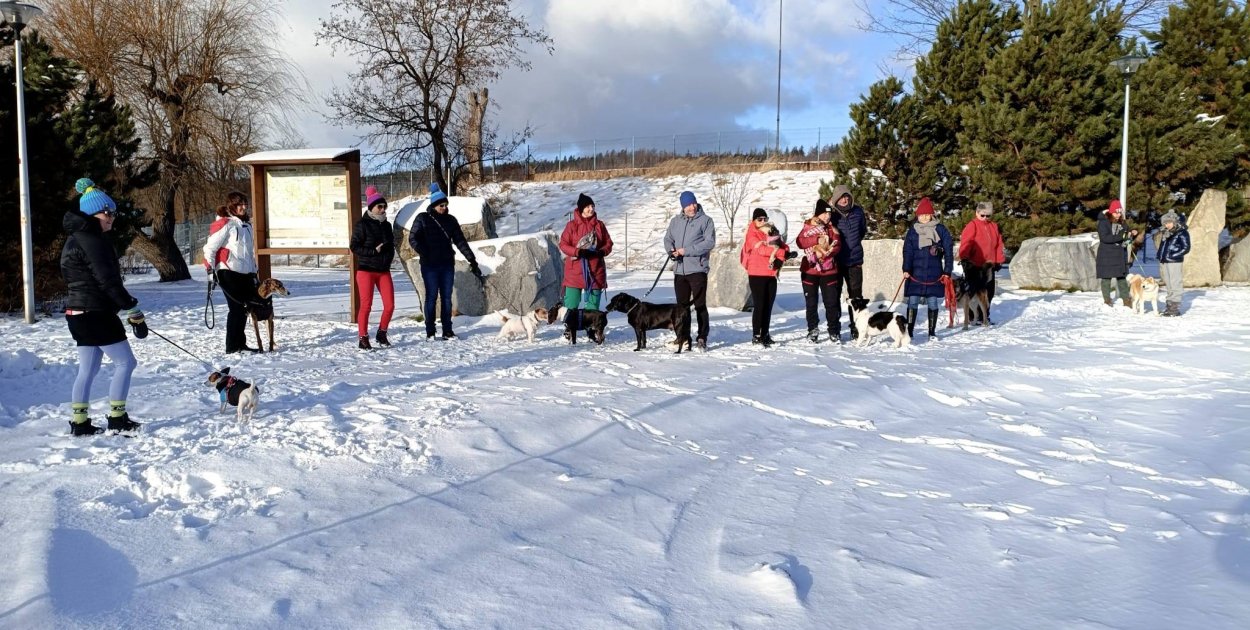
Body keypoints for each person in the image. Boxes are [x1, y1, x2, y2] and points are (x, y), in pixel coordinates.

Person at [61, 178, 144, 435]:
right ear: (91, 214)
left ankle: (80, 422)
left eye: (113, 213)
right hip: (95, 313)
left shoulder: (77, 238)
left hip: (77, 313)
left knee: (88, 368)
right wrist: (131, 309)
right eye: (106, 213)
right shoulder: (92, 240)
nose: (111, 218)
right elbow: (107, 280)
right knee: (126, 363)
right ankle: (117, 418)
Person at [408, 183, 484, 338]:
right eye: (441, 205)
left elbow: (460, 241)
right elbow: (413, 238)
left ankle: (447, 330)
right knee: (431, 297)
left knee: (447, 298)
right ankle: (430, 330)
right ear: (434, 205)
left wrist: (472, 260)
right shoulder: (422, 218)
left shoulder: (450, 220)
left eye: (445, 204)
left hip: (447, 264)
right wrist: (424, 251)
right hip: (429, 265)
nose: (444, 207)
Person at [202, 191, 260, 354]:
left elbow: (248, 252)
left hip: (245, 273)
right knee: (236, 308)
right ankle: (232, 347)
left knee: (245, 308)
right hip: (228, 272)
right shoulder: (227, 224)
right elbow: (209, 249)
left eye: (245, 204)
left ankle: (241, 344)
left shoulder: (247, 225)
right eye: (239, 204)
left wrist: (254, 272)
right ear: (232, 206)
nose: (243, 207)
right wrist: (210, 271)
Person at [663, 191, 716, 351]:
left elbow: (709, 243)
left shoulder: (706, 221)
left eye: (693, 203)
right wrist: (671, 250)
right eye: (687, 205)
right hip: (680, 270)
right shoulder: (675, 221)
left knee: (700, 305)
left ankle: (702, 337)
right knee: (682, 308)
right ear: (683, 207)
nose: (691, 207)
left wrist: (687, 251)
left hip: (697, 269)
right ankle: (683, 337)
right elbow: (667, 239)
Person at [558, 193, 614, 341]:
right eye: (588, 206)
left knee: (593, 303)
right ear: (581, 208)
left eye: (592, 206)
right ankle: (570, 328)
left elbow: (608, 243)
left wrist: (602, 251)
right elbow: (563, 244)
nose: (591, 208)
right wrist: (578, 251)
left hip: (595, 270)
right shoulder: (571, 226)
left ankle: (591, 328)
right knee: (572, 302)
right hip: (575, 271)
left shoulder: (599, 225)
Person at [350, 186, 396, 349]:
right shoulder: (362, 224)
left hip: (383, 270)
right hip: (366, 270)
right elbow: (354, 246)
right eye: (380, 206)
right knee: (366, 306)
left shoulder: (387, 225)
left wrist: (388, 257)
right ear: (371, 207)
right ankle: (363, 338)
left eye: (384, 207)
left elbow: (391, 245)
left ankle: (382, 333)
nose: (383, 209)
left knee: (390, 305)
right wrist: (372, 251)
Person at [902, 197, 953, 340]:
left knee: (932, 301)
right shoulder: (912, 231)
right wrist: (906, 269)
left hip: (934, 273)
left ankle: (932, 332)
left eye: (927, 214)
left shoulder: (941, 229)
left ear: (932, 214)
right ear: (917, 215)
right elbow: (907, 251)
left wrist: (947, 271)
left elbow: (949, 250)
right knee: (912, 301)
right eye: (921, 214)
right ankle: (909, 332)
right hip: (915, 273)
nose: (924, 217)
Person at [740, 208, 790, 346]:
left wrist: (783, 254)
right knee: (760, 305)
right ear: (754, 220)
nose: (762, 222)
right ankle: (756, 335)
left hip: (771, 272)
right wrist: (780, 252)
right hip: (757, 274)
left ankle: (765, 334)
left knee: (768, 306)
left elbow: (783, 245)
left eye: (764, 219)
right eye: (759, 219)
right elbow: (761, 250)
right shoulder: (751, 234)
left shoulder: (771, 230)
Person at [796, 200, 843, 342]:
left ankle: (834, 330)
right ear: (818, 214)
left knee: (831, 303)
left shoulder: (832, 229)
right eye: (825, 214)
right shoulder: (808, 227)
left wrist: (827, 253)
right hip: (810, 271)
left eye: (829, 214)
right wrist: (817, 238)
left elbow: (837, 245)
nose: (828, 217)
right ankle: (813, 330)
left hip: (829, 271)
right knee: (811, 303)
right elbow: (800, 242)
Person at [958, 201, 1006, 324]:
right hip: (974, 265)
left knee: (989, 291)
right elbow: (966, 243)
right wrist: (964, 258)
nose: (985, 218)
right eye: (982, 215)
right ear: (977, 213)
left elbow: (998, 245)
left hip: (988, 265)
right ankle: (972, 316)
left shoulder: (994, 226)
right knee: (973, 292)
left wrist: (999, 260)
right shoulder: (972, 225)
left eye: (988, 215)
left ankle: (984, 316)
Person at [829, 185, 867, 339]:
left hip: (854, 260)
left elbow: (862, 231)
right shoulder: (831, 215)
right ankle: (836, 328)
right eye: (841, 197)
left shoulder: (858, 212)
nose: (844, 200)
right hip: (836, 261)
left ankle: (856, 327)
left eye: (847, 197)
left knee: (856, 296)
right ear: (835, 199)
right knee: (835, 295)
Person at [1096, 200, 1138, 307]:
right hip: (1106, 254)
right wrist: (1122, 236)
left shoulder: (1123, 223)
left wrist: (1131, 235)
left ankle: (1126, 299)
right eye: (1116, 212)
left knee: (1121, 278)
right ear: (1111, 212)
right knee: (1106, 278)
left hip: (1119, 254)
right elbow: (1105, 238)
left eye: (1120, 212)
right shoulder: (1103, 222)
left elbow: (1125, 237)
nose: (1118, 215)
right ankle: (1107, 300)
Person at [1156, 210, 1190, 317]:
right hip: (1165, 261)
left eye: (1169, 222)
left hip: (1174, 261)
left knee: (1175, 283)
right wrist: (1160, 256)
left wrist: (1174, 255)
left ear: (1175, 222)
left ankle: (1174, 308)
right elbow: (1163, 247)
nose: (1167, 225)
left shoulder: (1182, 232)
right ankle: (1169, 306)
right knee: (1169, 284)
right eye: (1165, 223)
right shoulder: (1166, 233)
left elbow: (1186, 247)